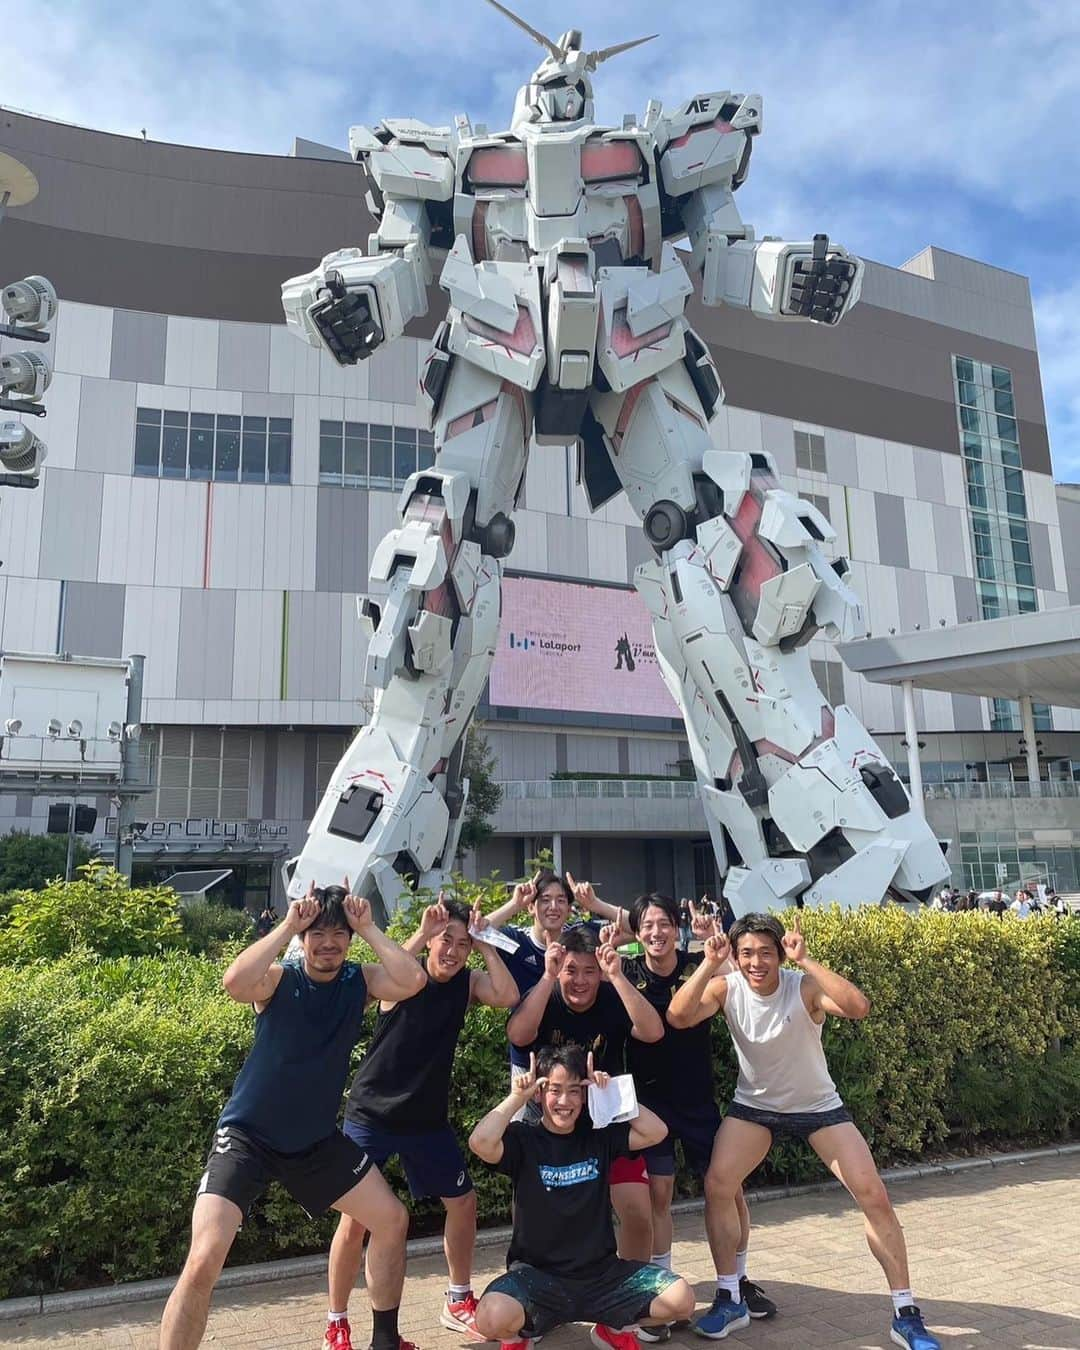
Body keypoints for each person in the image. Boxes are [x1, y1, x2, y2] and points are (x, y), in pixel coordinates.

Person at [160, 884, 427, 1350]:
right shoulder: (280, 980)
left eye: (339, 934)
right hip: (247, 1138)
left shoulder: (358, 982)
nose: (329, 943)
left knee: (390, 1219)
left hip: (315, 1143)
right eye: (317, 933)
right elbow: (234, 983)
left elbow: (412, 981)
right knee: (204, 1258)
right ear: (304, 937)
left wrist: (367, 927)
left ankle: (385, 1340)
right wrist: (286, 925)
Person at [668, 913, 941, 1350]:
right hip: (755, 1108)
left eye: (765, 953)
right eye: (746, 954)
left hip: (818, 1108)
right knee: (719, 1183)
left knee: (873, 1195)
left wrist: (807, 960)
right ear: (735, 958)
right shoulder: (727, 986)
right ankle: (730, 1296)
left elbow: (858, 1007)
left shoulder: (802, 986)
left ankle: (905, 1315)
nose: (756, 962)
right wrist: (708, 963)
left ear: (779, 954)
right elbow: (679, 1017)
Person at [325, 895, 519, 1350]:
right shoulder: (402, 980)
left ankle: (457, 1298)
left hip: (426, 1121)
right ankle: (336, 1324)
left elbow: (508, 995)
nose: (451, 951)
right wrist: (419, 934)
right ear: (429, 940)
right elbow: (389, 975)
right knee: (355, 1223)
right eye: (443, 940)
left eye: (460, 944)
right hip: (372, 1115)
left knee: (463, 1202)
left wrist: (483, 942)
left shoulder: (467, 982)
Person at [469, 1045, 696, 1350]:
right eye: (555, 1090)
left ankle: (613, 1328)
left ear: (585, 1094)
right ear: (539, 1093)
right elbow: (480, 1142)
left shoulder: (598, 1136)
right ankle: (518, 1338)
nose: (565, 1101)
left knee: (682, 1300)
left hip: (601, 1276)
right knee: (490, 1317)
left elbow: (656, 1132)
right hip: (538, 1280)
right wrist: (516, 1099)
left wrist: (613, 1091)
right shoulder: (523, 1139)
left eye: (575, 1091)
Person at [616, 895, 775, 1330]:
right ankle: (658, 1287)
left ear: (677, 926)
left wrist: (713, 947)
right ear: (638, 931)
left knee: (727, 1190)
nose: (656, 933)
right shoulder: (627, 971)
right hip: (651, 1106)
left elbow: (742, 985)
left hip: (698, 1101)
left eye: (664, 923)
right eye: (646, 925)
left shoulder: (699, 961)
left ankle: (737, 1282)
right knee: (659, 1196)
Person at [507, 926, 664, 1262]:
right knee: (535, 1210)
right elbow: (519, 1036)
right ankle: (535, 1281)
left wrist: (617, 977)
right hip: (552, 1115)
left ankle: (629, 1293)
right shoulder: (545, 994)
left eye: (589, 971)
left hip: (606, 1111)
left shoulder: (611, 996)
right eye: (571, 971)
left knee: (637, 1212)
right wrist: (548, 977)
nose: (580, 981)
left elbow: (653, 1032)